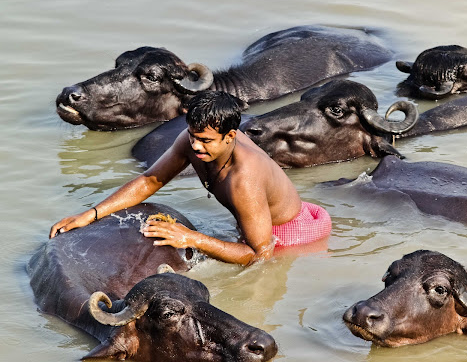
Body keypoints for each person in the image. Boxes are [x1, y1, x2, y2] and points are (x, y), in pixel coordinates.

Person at [49, 91, 331, 265]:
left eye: (205, 140)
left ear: (230, 136)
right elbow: (150, 181)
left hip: (290, 234)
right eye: (193, 136)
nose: (196, 146)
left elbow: (260, 254)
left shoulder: (245, 178)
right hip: (260, 222)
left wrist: (192, 238)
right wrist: (90, 214)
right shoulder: (193, 139)